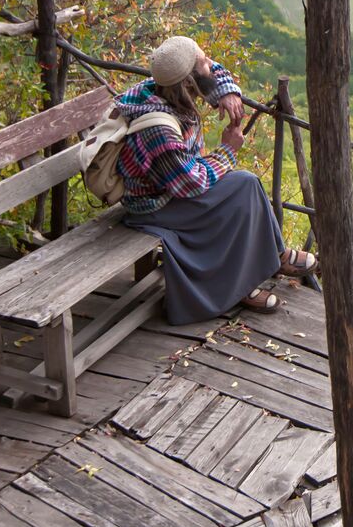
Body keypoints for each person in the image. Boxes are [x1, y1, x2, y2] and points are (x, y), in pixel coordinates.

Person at [113, 35, 316, 323]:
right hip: (155, 206)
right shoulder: (158, 130)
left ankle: (273, 257)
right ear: (189, 83)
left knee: (244, 187)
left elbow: (211, 70)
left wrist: (227, 91)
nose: (212, 64)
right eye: (204, 62)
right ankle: (245, 283)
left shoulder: (165, 87)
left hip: (170, 188)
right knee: (241, 190)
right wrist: (228, 151)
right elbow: (191, 183)